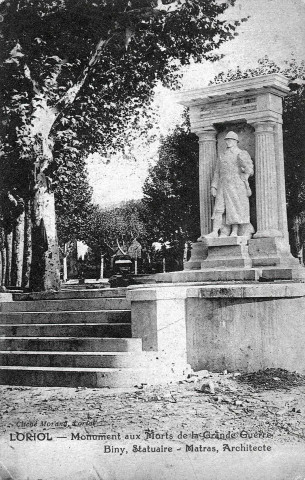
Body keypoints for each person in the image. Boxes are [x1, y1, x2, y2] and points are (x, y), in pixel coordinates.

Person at [206, 131, 254, 238]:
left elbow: (250, 171)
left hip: (236, 185)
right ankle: (215, 231)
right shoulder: (222, 155)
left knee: (234, 208)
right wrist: (214, 186)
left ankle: (234, 232)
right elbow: (217, 172)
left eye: (231, 140)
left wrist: (245, 170)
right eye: (227, 140)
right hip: (223, 185)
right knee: (218, 208)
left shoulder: (241, 153)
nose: (228, 142)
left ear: (236, 141)